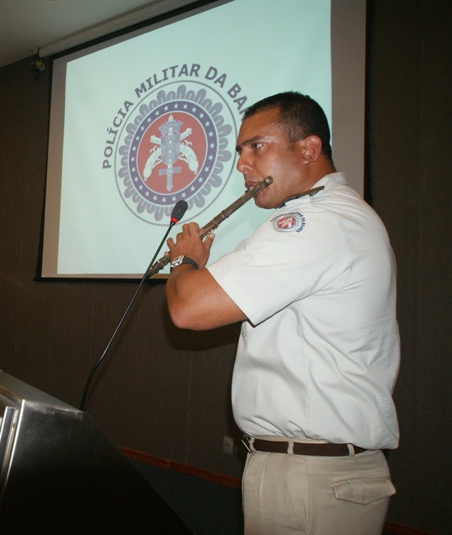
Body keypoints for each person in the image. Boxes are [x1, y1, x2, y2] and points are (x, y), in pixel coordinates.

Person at [164, 92, 399, 535]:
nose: (242, 165)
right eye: (239, 151)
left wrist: (185, 261)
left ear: (308, 149)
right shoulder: (332, 218)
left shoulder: (316, 223)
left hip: (311, 479)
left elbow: (188, 308)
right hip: (310, 472)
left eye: (257, 147)